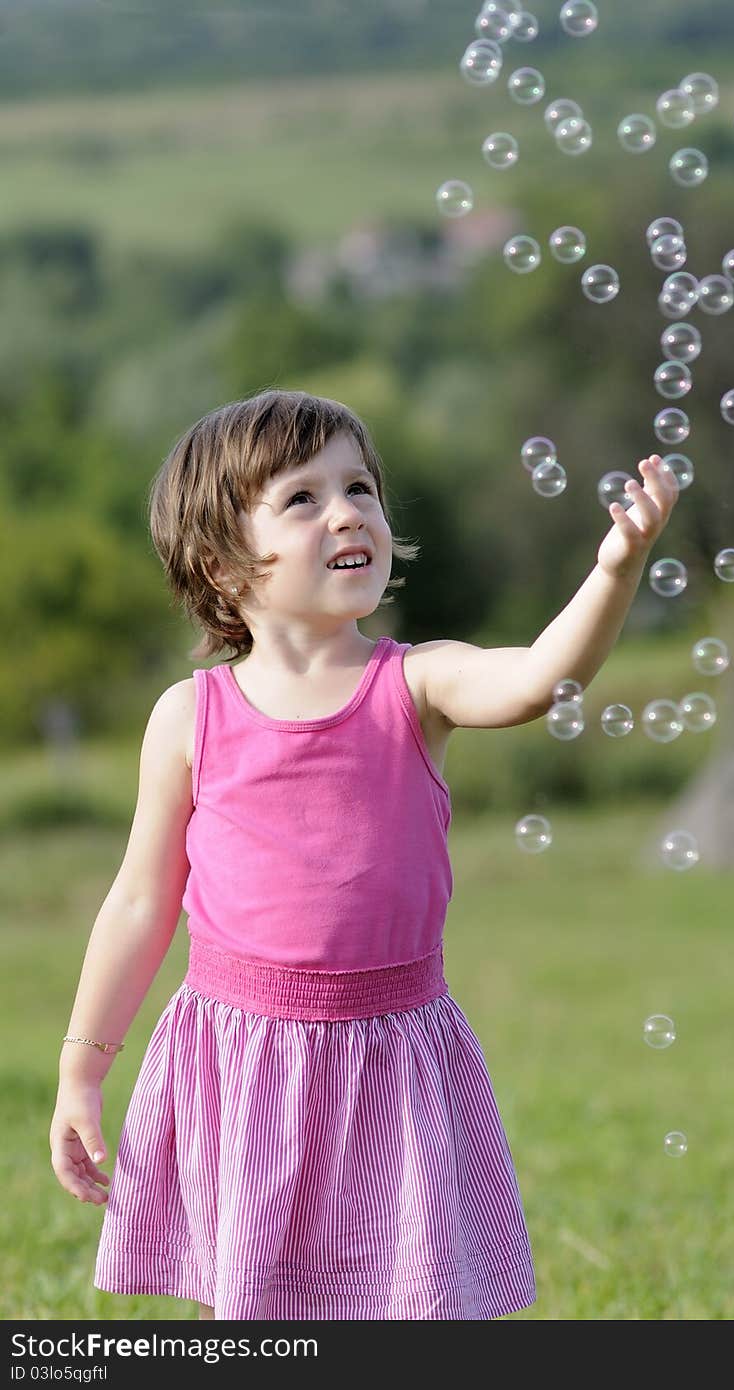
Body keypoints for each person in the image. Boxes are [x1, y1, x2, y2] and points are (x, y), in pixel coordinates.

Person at [49, 388, 678, 1321]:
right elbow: (141, 903)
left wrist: (616, 569)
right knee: (264, 1308)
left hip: (394, 1055)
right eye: (302, 498)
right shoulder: (190, 717)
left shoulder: (416, 684)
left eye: (360, 489)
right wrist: (82, 1069)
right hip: (245, 1060)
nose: (347, 512)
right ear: (224, 564)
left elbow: (544, 676)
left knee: (407, 1302)